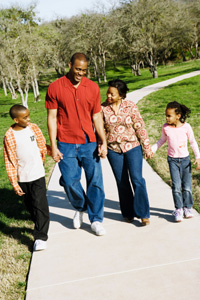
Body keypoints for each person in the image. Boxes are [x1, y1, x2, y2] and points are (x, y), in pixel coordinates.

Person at [45, 52, 107, 236]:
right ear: (70, 64)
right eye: (78, 69)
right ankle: (81, 207)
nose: (81, 73)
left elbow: (96, 116)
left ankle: (96, 220)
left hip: (89, 142)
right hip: (65, 142)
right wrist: (53, 146)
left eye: (84, 70)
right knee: (70, 181)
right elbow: (52, 117)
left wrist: (103, 141)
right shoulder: (55, 87)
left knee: (95, 182)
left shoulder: (93, 88)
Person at [101, 79, 153, 226]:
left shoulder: (130, 106)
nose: (108, 96)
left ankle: (143, 213)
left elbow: (140, 127)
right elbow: (101, 130)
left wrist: (147, 147)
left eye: (112, 94)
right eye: (108, 92)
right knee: (122, 182)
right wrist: (102, 146)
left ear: (121, 95)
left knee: (137, 179)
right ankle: (128, 212)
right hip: (113, 149)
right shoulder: (103, 108)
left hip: (132, 146)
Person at [3, 104, 50, 251]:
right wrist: (15, 184)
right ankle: (38, 223)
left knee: (39, 204)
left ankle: (41, 237)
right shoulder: (9, 136)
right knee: (30, 205)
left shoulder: (33, 128)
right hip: (23, 176)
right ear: (16, 120)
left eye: (29, 116)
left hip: (38, 173)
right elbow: (9, 161)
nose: (28, 119)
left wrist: (53, 152)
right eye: (25, 118)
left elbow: (42, 145)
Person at [152, 101, 200, 222]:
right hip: (172, 160)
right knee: (176, 186)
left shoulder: (186, 127)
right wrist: (152, 150)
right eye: (166, 115)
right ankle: (178, 209)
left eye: (169, 116)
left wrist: (198, 157)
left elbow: (193, 142)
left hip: (185, 160)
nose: (166, 118)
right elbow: (161, 141)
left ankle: (187, 207)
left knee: (187, 187)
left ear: (178, 116)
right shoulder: (165, 128)